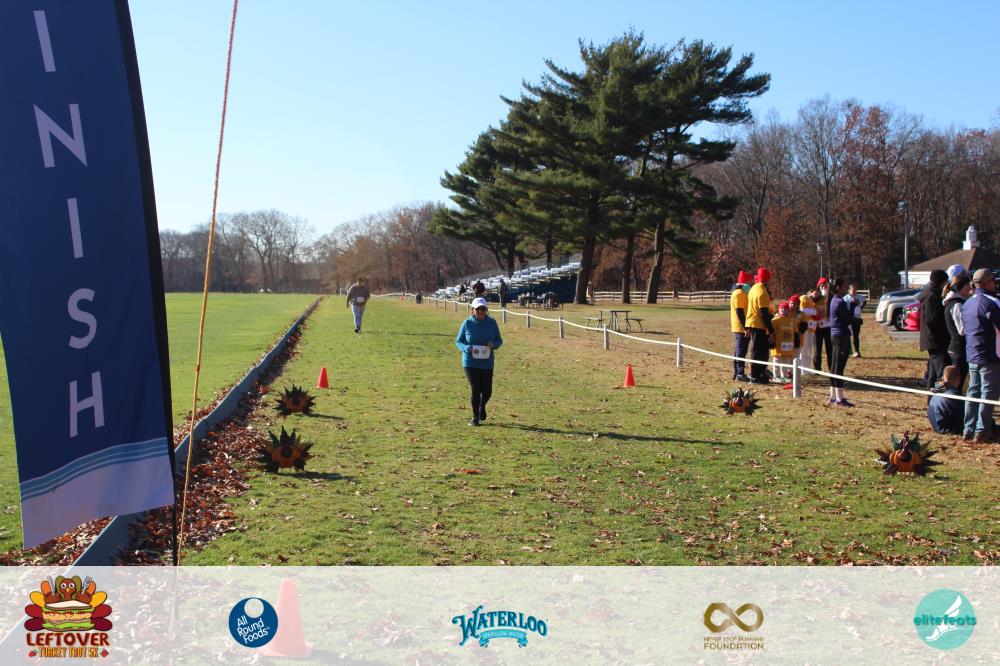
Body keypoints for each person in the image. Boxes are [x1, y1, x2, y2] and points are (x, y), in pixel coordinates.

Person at [961, 268, 1000, 442]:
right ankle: (982, 431)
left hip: (972, 353)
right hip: (991, 355)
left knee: (973, 392)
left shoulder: (967, 303)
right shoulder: (993, 303)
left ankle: (968, 429)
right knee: (988, 394)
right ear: (989, 282)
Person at [455, 297, 503, 426]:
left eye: (483, 309)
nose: (480, 311)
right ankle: (475, 417)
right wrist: (466, 348)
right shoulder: (467, 323)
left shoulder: (492, 323)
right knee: (475, 389)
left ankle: (482, 406)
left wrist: (493, 344)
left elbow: (499, 340)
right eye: (478, 309)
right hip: (470, 362)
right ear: (472, 310)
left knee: (487, 391)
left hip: (487, 363)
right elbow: (458, 341)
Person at [919, 269, 950, 389]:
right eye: (946, 281)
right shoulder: (932, 296)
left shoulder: (931, 293)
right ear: (941, 282)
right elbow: (932, 319)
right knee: (941, 373)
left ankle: (931, 396)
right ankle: (939, 394)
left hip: (933, 339)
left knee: (932, 373)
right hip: (935, 340)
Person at [744, 267, 774, 384]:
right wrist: (771, 330)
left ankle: (760, 373)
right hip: (758, 324)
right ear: (766, 279)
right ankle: (755, 375)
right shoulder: (762, 292)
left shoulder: (754, 288)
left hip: (753, 322)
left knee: (760, 350)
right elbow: (763, 313)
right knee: (758, 351)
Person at [828, 278, 854, 406]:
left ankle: (833, 395)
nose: (845, 289)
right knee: (839, 367)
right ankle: (839, 398)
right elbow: (848, 319)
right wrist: (853, 307)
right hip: (841, 335)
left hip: (834, 334)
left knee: (834, 366)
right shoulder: (840, 302)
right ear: (838, 287)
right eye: (844, 287)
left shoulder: (833, 299)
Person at [943, 271, 972, 388]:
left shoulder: (956, 303)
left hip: (957, 348)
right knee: (957, 383)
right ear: (960, 287)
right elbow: (962, 330)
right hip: (958, 349)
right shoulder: (957, 305)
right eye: (967, 285)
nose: (970, 287)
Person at [729, 270, 753, 381]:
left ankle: (737, 373)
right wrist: (746, 328)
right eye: (748, 282)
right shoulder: (739, 294)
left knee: (739, 350)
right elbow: (740, 312)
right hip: (741, 327)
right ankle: (740, 373)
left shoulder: (741, 293)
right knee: (741, 351)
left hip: (740, 327)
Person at [928, 365, 964, 435]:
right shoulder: (954, 396)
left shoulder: (936, 391)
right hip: (948, 429)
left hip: (936, 427)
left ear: (943, 377)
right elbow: (962, 416)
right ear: (959, 379)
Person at [770, 301, 797, 383]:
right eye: (782, 308)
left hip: (788, 345)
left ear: (788, 311)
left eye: (785, 309)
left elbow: (795, 332)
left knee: (786, 361)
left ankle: (784, 376)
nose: (783, 310)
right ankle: (776, 376)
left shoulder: (792, 321)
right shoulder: (775, 320)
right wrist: (772, 341)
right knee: (777, 360)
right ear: (778, 310)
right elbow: (771, 332)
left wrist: (797, 340)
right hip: (778, 344)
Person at [813, 277, 832, 371]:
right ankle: (817, 368)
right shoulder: (815, 297)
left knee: (830, 348)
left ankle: (831, 367)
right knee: (818, 348)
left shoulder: (831, 297)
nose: (824, 288)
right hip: (818, 326)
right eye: (822, 286)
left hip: (828, 326)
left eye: (825, 286)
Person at [798, 289, 819, 369]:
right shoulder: (804, 298)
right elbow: (801, 310)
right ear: (810, 293)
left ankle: (807, 368)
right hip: (805, 328)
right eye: (815, 293)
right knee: (804, 349)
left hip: (812, 329)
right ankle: (802, 368)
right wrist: (814, 312)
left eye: (818, 293)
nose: (817, 294)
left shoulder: (814, 303)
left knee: (809, 349)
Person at [844, 284, 867, 357]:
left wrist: (861, 307)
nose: (854, 291)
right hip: (848, 318)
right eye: (853, 290)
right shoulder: (845, 298)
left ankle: (857, 351)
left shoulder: (860, 297)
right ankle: (847, 351)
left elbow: (864, 301)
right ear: (849, 290)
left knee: (856, 335)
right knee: (847, 335)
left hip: (857, 318)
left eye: (855, 289)